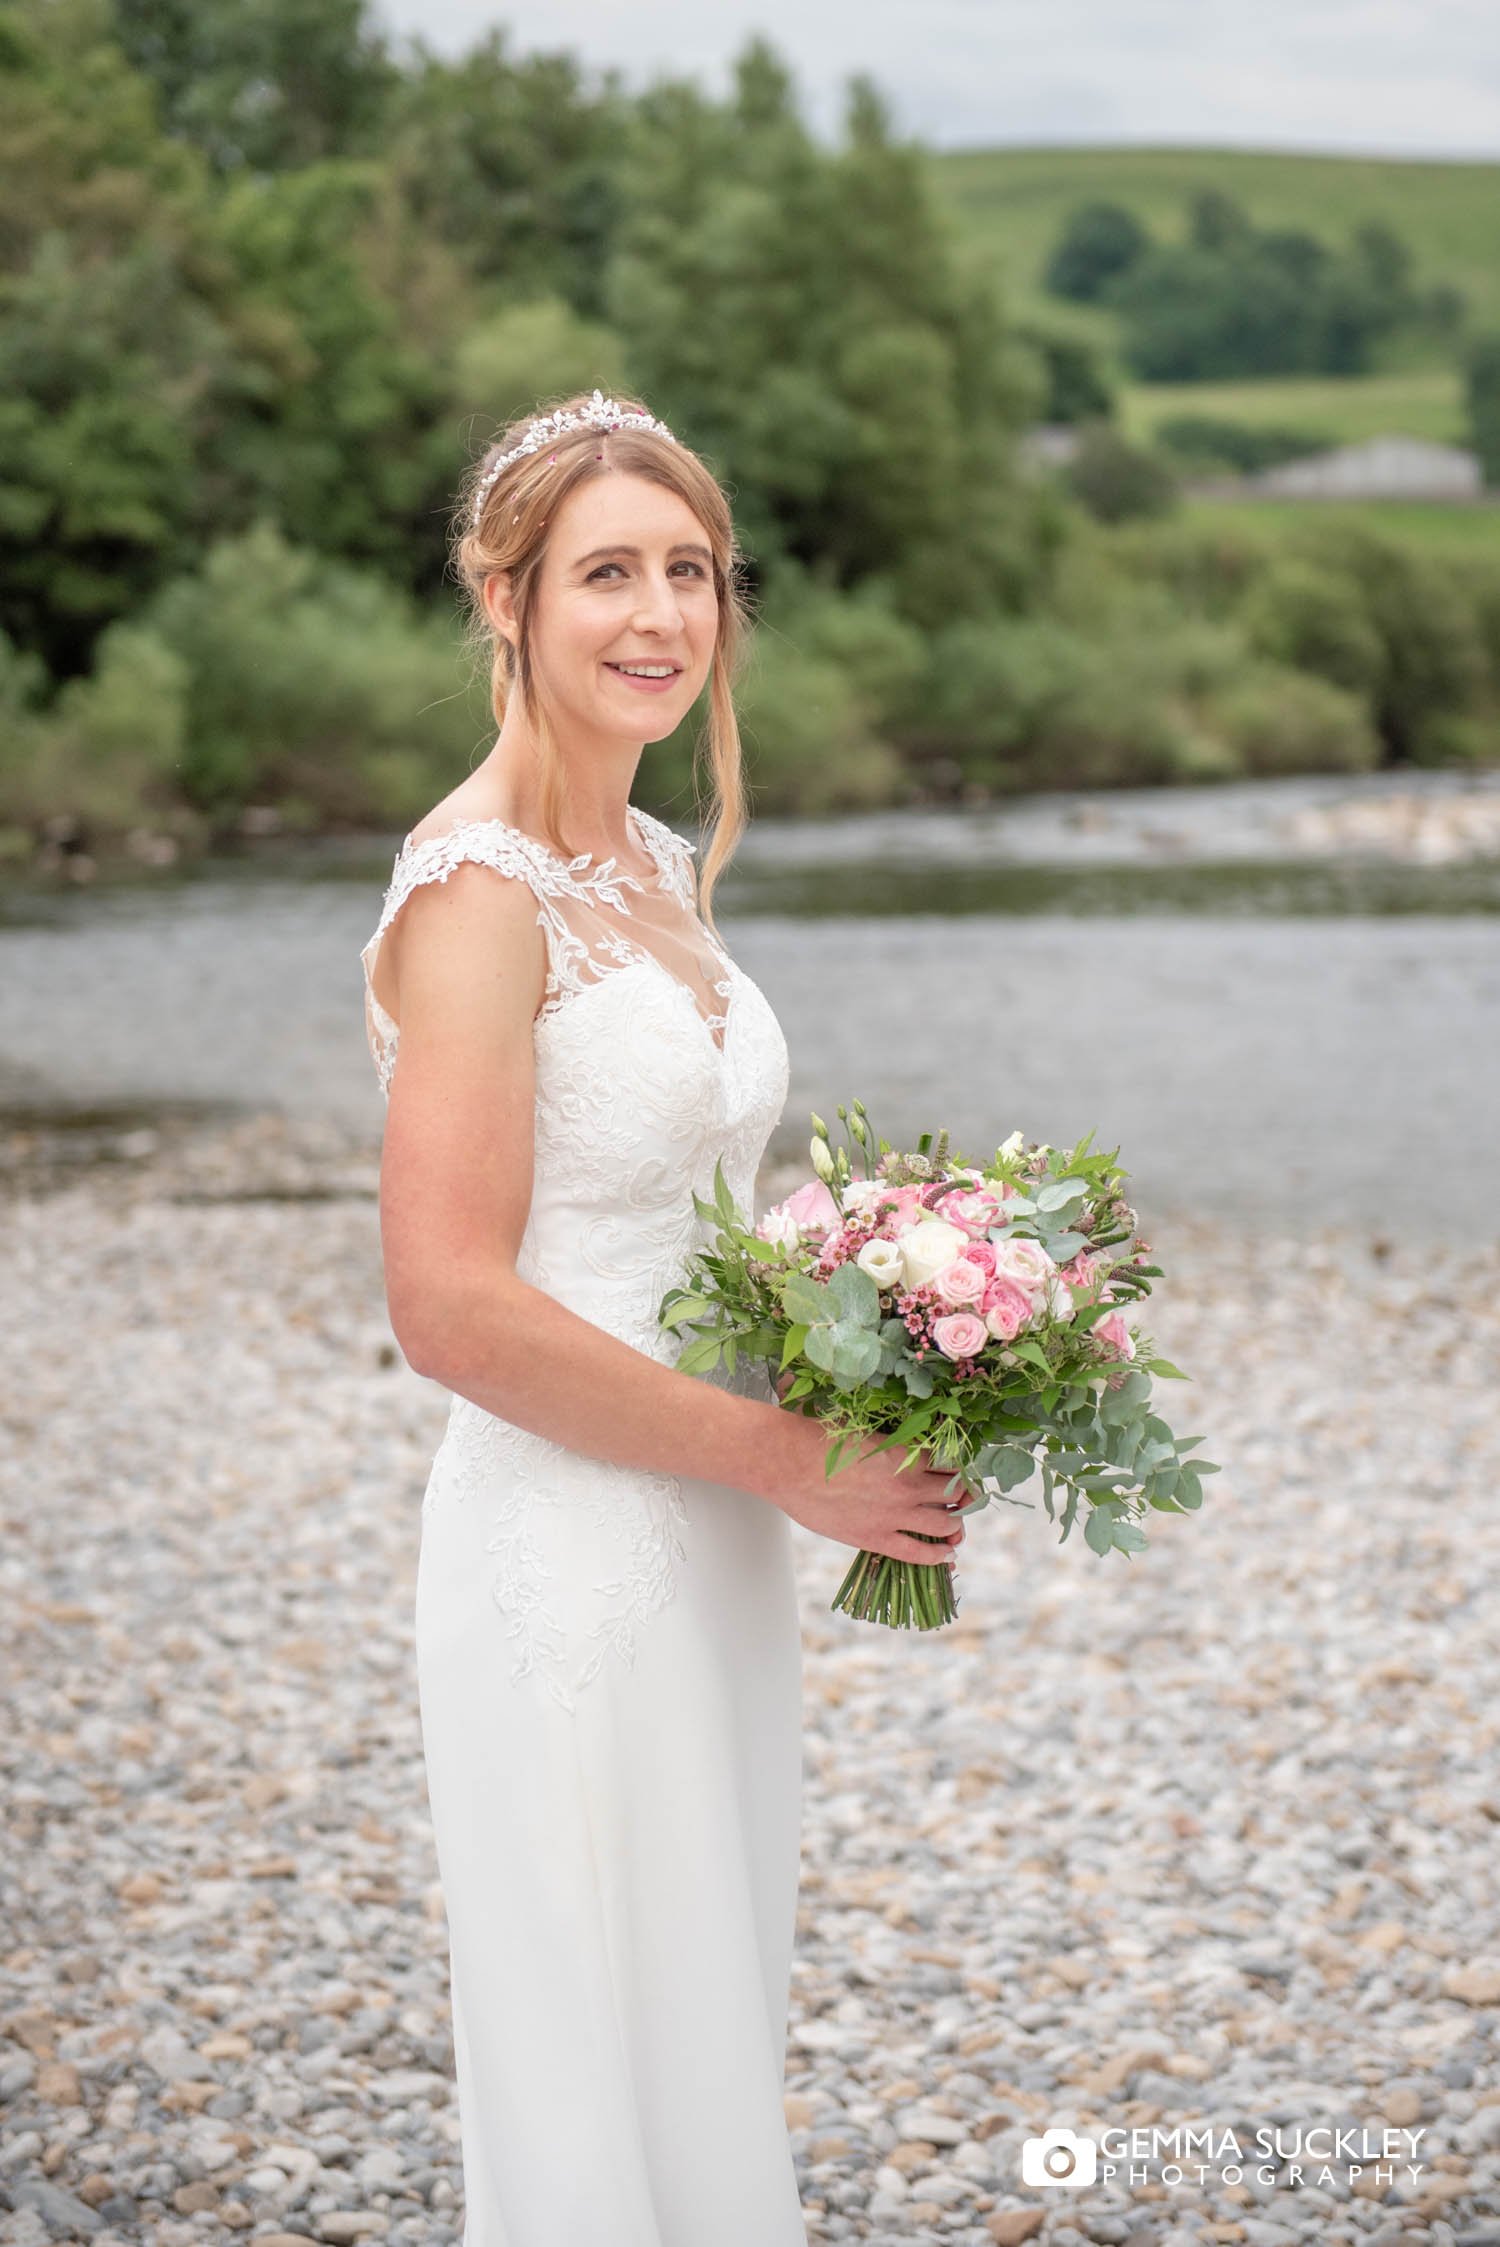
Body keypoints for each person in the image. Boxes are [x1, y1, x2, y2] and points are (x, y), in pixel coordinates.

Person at [358, 388, 965, 2247]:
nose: (658, 615)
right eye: (604, 572)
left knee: (705, 2017)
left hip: (711, 1531)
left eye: (688, 571)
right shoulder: (479, 893)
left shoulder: (655, 872)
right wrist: (794, 1456)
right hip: (569, 1546)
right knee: (593, 2061)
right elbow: (452, 1307)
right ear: (507, 596)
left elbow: (678, 1206)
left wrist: (901, 1315)